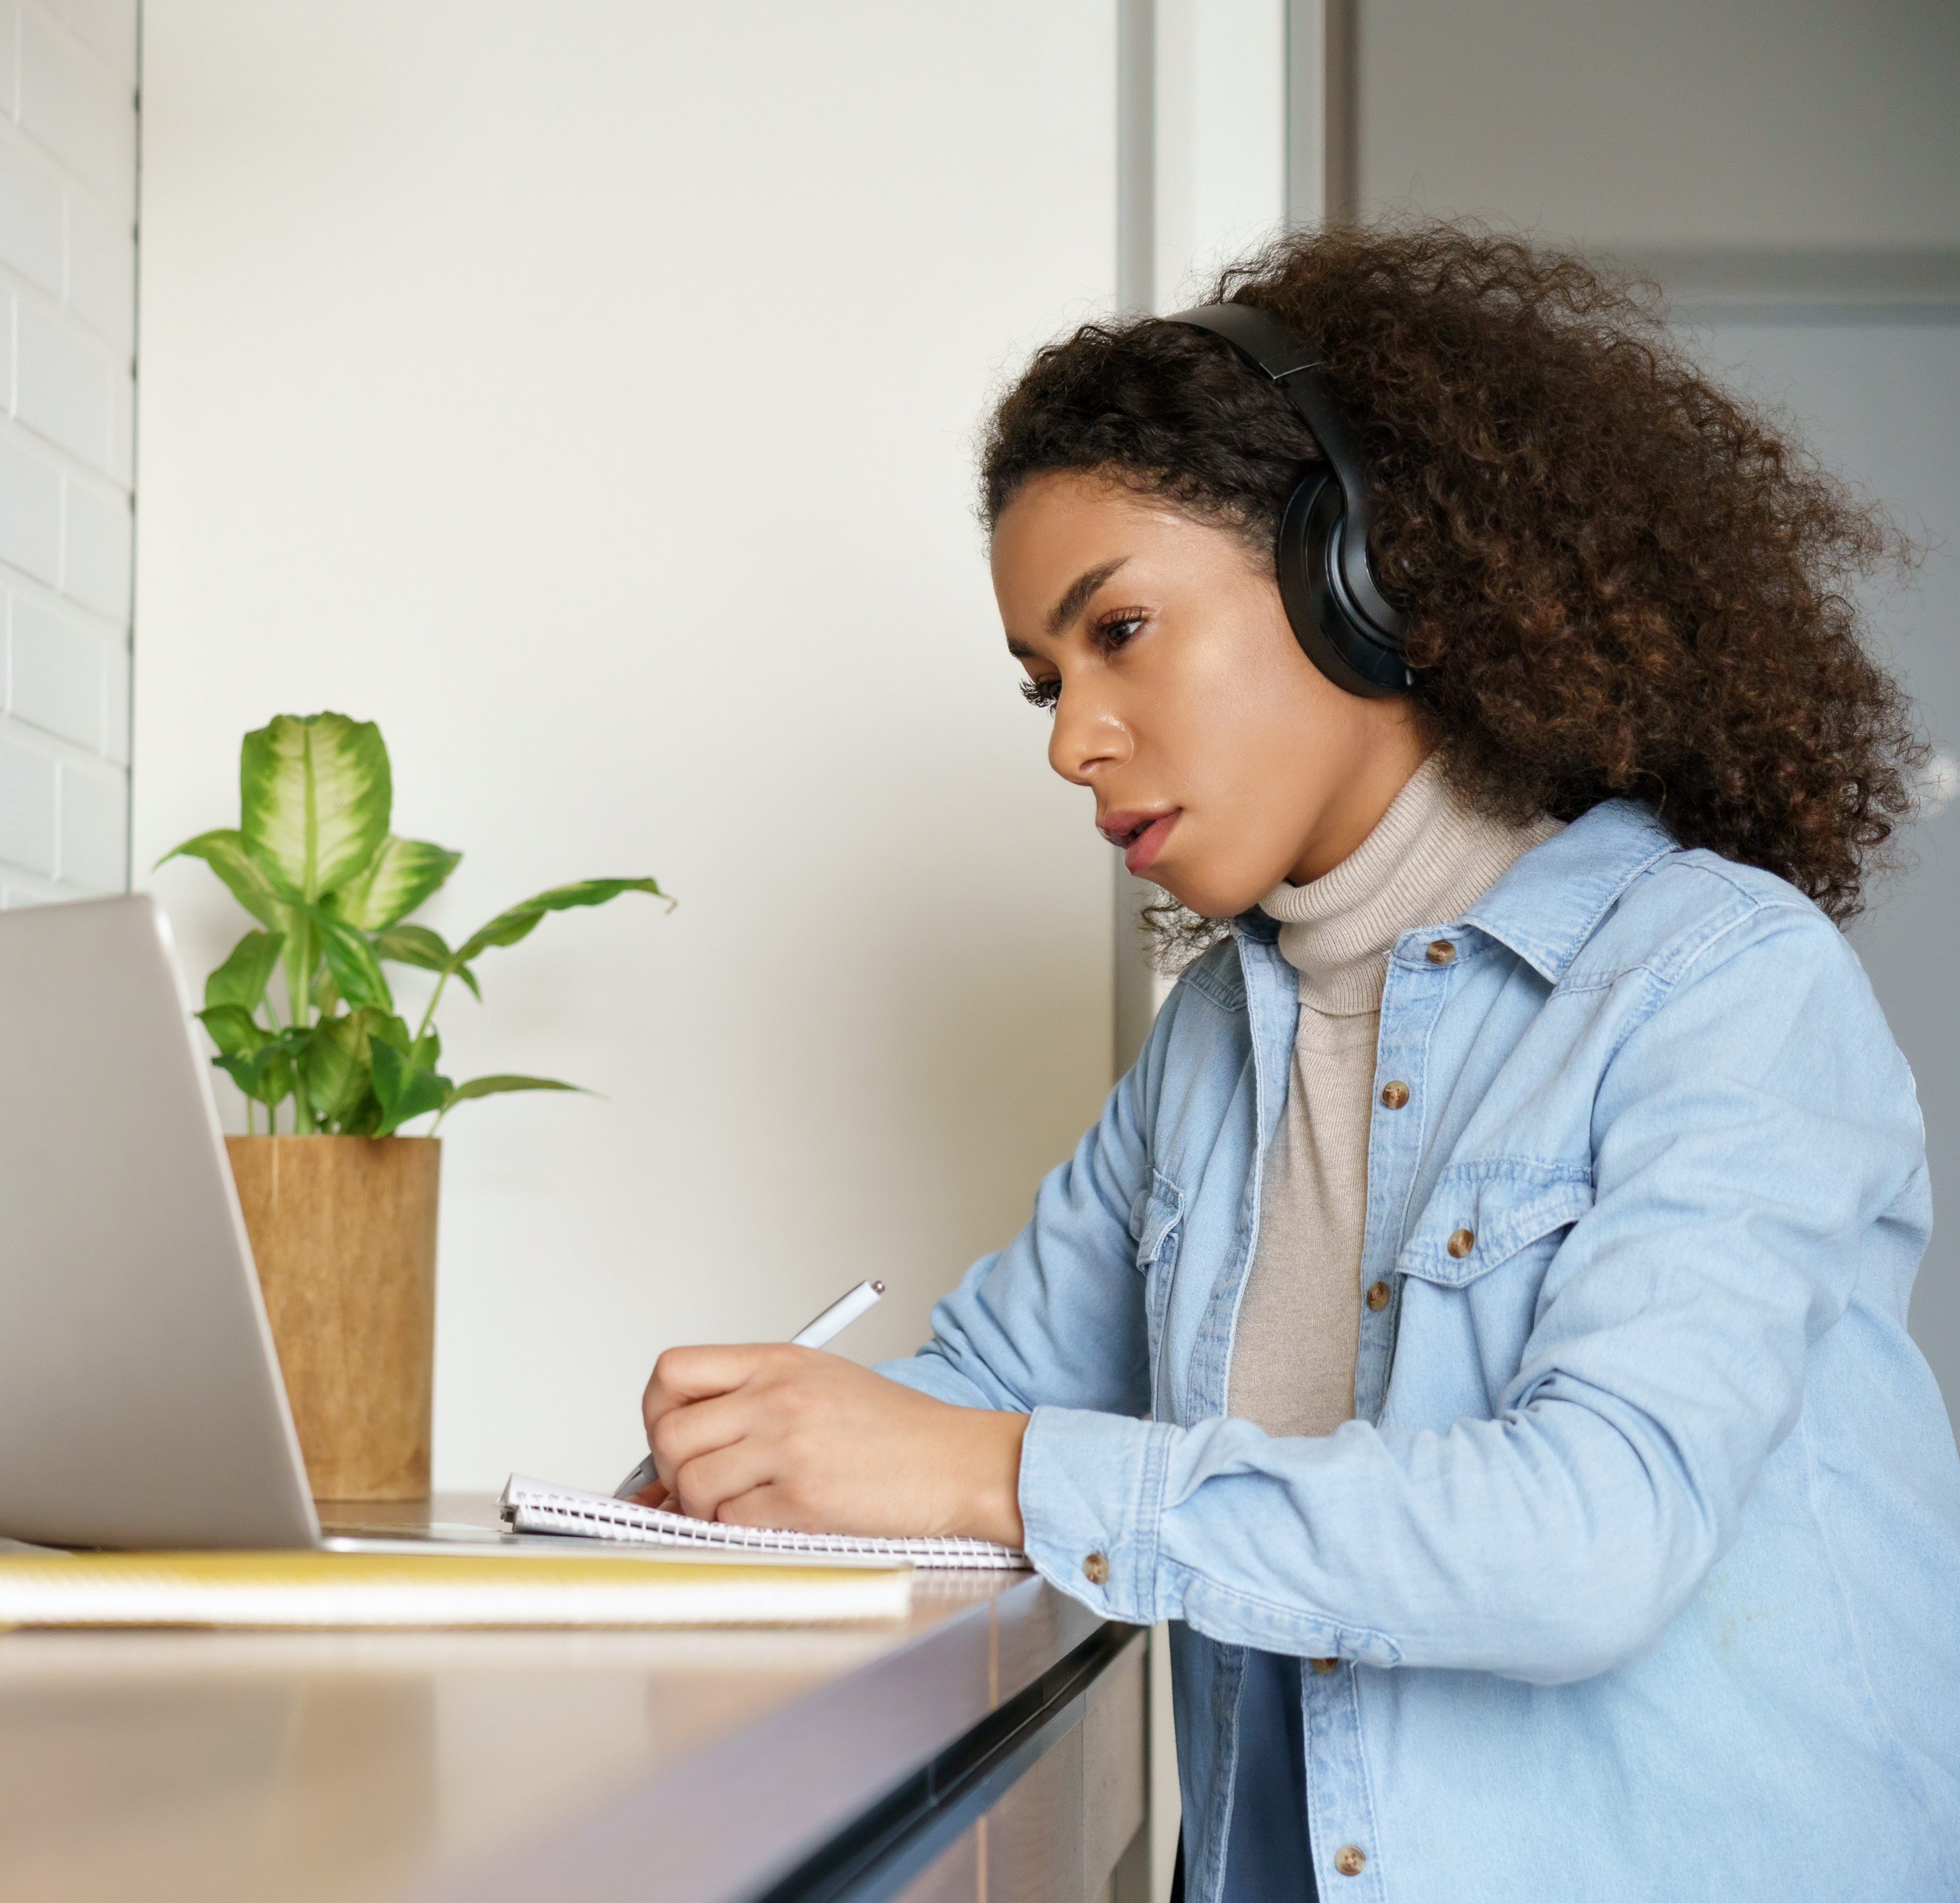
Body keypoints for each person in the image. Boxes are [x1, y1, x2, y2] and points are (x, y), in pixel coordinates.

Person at [629, 227, 1960, 1899]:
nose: (1069, 739)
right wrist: (752, 1460)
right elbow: (967, 1398)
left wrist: (990, 1469)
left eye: (1120, 629)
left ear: (1363, 577)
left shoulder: (1724, 987)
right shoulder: (1214, 1046)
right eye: (1043, 680)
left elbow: (1589, 1540)